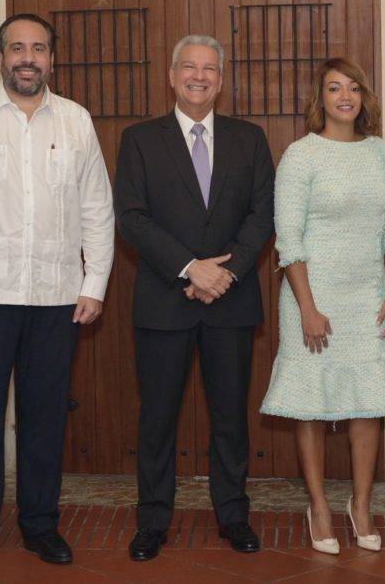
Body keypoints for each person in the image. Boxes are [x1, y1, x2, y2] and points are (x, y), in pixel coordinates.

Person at [0, 13, 114, 572]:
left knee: (43, 418)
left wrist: (94, 283)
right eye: (17, 48)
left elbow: (97, 209)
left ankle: (40, 525)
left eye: (38, 48)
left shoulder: (77, 121)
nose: (27, 58)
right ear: (0, 57)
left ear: (52, 59)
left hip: (55, 297)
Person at [114, 35, 274, 561]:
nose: (199, 76)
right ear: (172, 74)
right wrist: (190, 267)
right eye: (189, 67)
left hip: (229, 298)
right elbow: (132, 217)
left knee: (230, 416)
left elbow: (261, 214)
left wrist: (223, 274)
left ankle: (233, 515)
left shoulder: (249, 140)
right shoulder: (139, 139)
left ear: (221, 80)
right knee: (157, 418)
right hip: (165, 299)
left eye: (209, 69)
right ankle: (152, 521)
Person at [260, 58, 385, 555]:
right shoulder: (301, 156)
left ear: (364, 97)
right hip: (312, 296)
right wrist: (307, 307)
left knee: (368, 404)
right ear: (319, 98)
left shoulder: (379, 153)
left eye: (354, 88)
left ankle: (360, 505)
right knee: (312, 405)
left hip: (368, 297)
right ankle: (318, 505)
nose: (345, 97)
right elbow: (290, 239)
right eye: (334, 88)